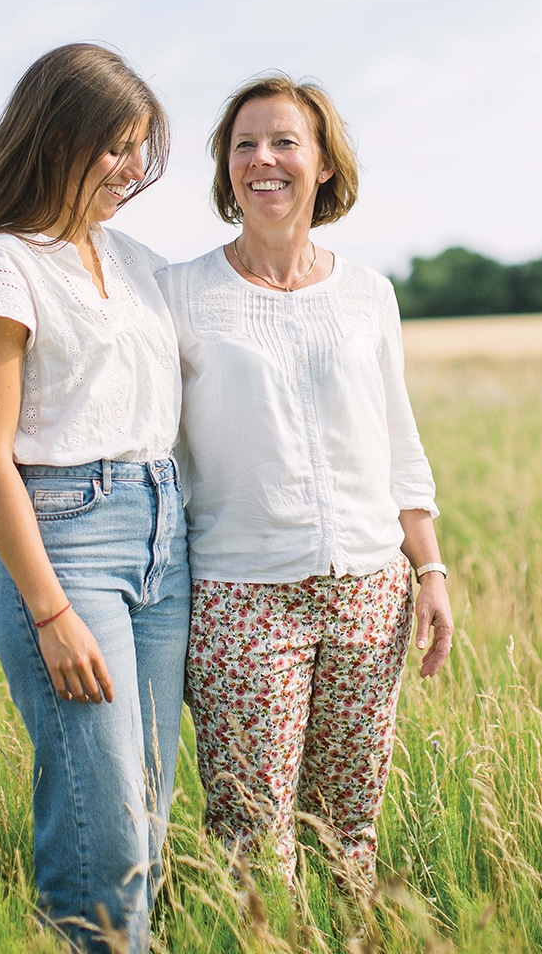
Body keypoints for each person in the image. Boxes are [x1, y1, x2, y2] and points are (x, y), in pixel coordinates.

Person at [0, 44, 189, 954]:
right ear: (56, 137)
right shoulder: (5, 264)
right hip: (68, 540)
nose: (132, 170)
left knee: (146, 814)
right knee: (102, 829)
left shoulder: (137, 260)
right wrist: (50, 610)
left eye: (141, 148)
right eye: (113, 147)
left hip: (165, 534)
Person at [159, 73, 454, 892]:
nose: (264, 160)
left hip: (369, 592)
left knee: (350, 828)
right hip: (241, 595)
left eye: (286, 141)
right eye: (244, 144)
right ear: (226, 168)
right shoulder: (180, 294)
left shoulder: (369, 295)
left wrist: (429, 570)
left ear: (323, 164)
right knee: (252, 838)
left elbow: (400, 443)